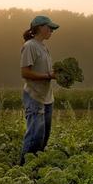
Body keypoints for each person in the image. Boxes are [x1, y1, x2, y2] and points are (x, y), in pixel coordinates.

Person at [19, 15, 59, 165]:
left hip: (47, 97)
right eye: (50, 28)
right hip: (34, 96)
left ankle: (37, 167)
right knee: (35, 136)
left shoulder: (43, 47)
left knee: (43, 137)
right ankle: (24, 168)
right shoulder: (30, 46)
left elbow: (45, 71)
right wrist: (49, 75)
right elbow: (25, 73)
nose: (51, 31)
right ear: (40, 28)